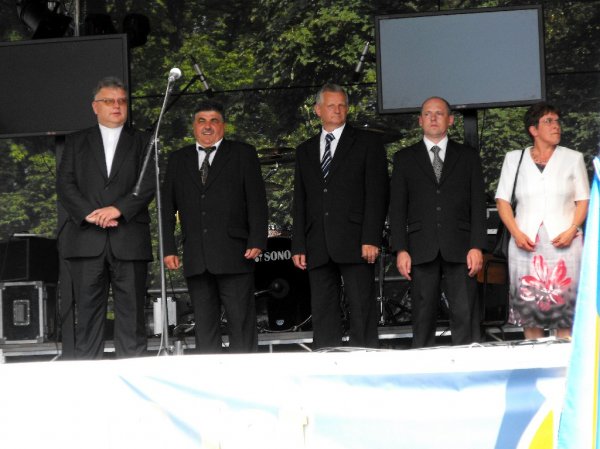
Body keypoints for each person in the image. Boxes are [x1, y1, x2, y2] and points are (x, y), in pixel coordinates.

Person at [56, 76, 155, 359]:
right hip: (86, 240)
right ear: (95, 106)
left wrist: (118, 209)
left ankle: (134, 376)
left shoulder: (143, 140)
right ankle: (89, 378)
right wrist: (90, 214)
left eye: (121, 101)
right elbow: (65, 184)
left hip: (129, 238)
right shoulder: (76, 141)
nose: (116, 106)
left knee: (132, 316)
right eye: (109, 101)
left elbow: (148, 183)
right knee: (87, 316)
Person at [162, 100, 268, 353]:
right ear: (194, 126)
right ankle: (209, 375)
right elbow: (166, 208)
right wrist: (168, 247)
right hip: (197, 255)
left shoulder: (243, 153)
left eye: (214, 121)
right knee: (205, 327)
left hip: (236, 253)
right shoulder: (178, 159)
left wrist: (257, 239)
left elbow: (257, 201)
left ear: (224, 126)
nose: (207, 126)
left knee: (241, 324)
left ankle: (246, 372)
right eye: (202, 121)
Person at [291, 83, 389, 349]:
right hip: (317, 242)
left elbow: (377, 194)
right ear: (318, 110)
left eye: (342, 105)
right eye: (331, 105)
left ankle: (364, 358)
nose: (337, 110)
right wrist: (299, 244)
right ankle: (327, 359)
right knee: (323, 309)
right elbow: (300, 200)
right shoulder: (305, 150)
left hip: (357, 240)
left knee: (361, 307)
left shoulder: (367, 143)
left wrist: (371, 237)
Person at [389, 96, 486, 348]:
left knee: (465, 313)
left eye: (439, 113)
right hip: (420, 246)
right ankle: (424, 367)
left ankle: (468, 364)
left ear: (450, 120)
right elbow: (397, 209)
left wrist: (477, 245)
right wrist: (401, 249)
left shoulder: (468, 157)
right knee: (422, 315)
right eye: (428, 114)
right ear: (420, 120)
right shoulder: (404, 158)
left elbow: (477, 204)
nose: (433, 118)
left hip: (461, 246)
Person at [495, 102, 589, 340]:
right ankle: (533, 356)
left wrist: (572, 229)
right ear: (533, 130)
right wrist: (516, 233)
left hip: (565, 241)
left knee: (565, 312)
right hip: (525, 241)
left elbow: (583, 200)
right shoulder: (514, 159)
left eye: (557, 121)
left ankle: (564, 358)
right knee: (529, 312)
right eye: (549, 121)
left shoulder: (573, 158)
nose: (556, 126)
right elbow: (502, 201)